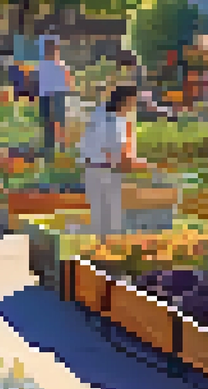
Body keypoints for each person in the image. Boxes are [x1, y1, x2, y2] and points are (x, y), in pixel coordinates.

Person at [79, 85, 144, 239]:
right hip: (106, 171)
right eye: (133, 102)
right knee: (111, 220)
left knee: (98, 216)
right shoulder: (116, 122)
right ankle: (109, 252)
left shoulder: (99, 112)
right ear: (126, 101)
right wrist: (141, 167)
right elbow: (117, 154)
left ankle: (99, 251)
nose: (133, 107)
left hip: (91, 168)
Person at [38, 37, 73, 158]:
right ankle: (52, 149)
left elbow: (68, 81)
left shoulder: (55, 64)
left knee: (55, 123)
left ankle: (58, 148)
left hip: (54, 95)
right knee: (51, 123)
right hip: (50, 95)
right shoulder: (48, 64)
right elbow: (68, 81)